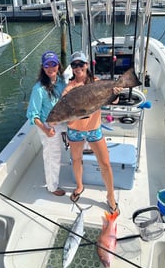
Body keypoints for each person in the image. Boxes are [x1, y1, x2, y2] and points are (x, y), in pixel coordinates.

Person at [63, 51, 121, 214]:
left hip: (94, 130)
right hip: (75, 131)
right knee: (76, 160)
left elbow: (114, 100)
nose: (78, 68)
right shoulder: (69, 89)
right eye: (74, 65)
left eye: (81, 64)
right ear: (72, 68)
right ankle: (80, 186)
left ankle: (110, 197)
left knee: (105, 163)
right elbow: (65, 115)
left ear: (87, 65)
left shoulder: (97, 83)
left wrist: (116, 93)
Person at [26, 51, 66, 196]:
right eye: (47, 65)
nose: (51, 68)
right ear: (43, 67)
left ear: (58, 65)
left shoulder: (62, 82)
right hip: (48, 126)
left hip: (63, 121)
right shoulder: (38, 89)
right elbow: (32, 115)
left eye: (53, 64)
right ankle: (52, 186)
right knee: (52, 156)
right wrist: (46, 130)